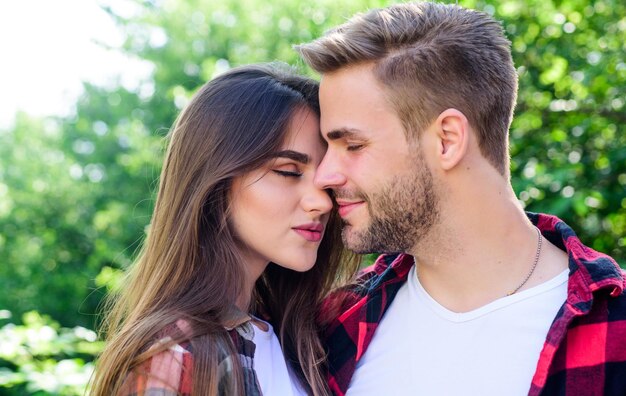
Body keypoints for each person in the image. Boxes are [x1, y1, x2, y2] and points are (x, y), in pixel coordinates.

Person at [295, 2, 626, 396]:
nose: (325, 176)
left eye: (352, 144)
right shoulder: (332, 327)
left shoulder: (616, 328)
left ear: (447, 140)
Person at [90, 64, 358, 396]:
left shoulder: (303, 345)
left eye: (323, 178)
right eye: (289, 171)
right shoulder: (175, 359)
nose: (322, 202)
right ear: (216, 183)